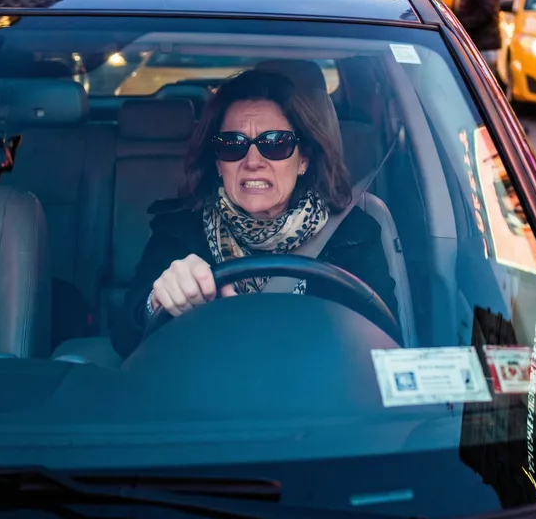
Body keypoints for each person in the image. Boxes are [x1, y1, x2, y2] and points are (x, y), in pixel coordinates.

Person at [112, 69, 399, 357]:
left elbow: (385, 343)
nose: (252, 161)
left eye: (275, 144)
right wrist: (157, 302)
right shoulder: (178, 230)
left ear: (303, 160)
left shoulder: (353, 235)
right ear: (217, 163)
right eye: (232, 145)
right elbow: (125, 337)